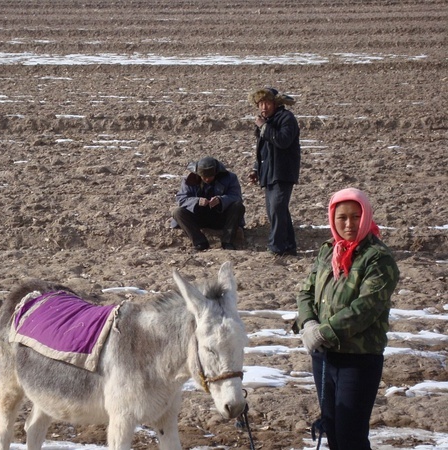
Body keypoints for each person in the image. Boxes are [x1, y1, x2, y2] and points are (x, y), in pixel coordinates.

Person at [295, 188, 400, 450]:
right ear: (333, 218)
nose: (349, 224)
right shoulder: (328, 251)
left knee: (351, 435)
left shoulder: (378, 258)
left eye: (356, 216)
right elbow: (307, 291)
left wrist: (323, 333)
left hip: (358, 359)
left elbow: (366, 307)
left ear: (365, 216)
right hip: (324, 357)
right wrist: (308, 323)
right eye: (342, 217)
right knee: (333, 432)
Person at [248, 87, 301, 256]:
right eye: (261, 103)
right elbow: (262, 150)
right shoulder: (265, 121)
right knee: (276, 210)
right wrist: (256, 169)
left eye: (267, 103)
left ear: (275, 103)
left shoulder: (287, 119)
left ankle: (275, 247)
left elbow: (283, 141)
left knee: (277, 208)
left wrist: (264, 127)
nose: (264, 107)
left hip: (283, 172)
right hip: (268, 173)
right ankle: (289, 246)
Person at [171, 156, 245, 251]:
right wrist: (197, 201)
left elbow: (236, 197)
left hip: (221, 216)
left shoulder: (230, 178)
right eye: (204, 177)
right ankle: (200, 242)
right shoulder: (189, 180)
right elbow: (181, 199)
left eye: (210, 177)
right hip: (198, 216)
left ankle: (227, 242)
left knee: (238, 206)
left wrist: (221, 200)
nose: (207, 179)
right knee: (178, 212)